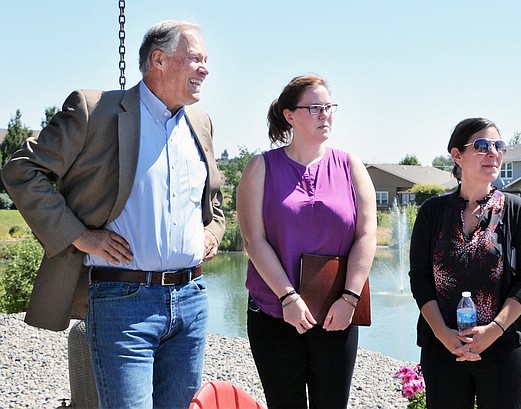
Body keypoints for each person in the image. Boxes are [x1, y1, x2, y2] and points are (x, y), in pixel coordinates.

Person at [1, 20, 225, 408]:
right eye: (195, 59)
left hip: (191, 301)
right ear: (158, 59)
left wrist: (213, 232)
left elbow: (214, 203)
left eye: (206, 60)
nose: (205, 68)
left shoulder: (201, 123)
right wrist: (78, 234)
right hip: (123, 302)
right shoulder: (94, 111)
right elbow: (21, 169)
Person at [237, 74, 377, 408]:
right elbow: (253, 240)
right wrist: (287, 298)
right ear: (289, 115)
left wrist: (350, 297)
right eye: (314, 108)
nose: (325, 115)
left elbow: (367, 233)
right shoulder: (261, 167)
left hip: (337, 312)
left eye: (329, 107)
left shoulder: (350, 165)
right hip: (274, 313)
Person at [408, 118, 521, 409]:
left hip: (503, 347)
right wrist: (444, 334)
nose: (493, 153)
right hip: (443, 348)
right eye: (481, 146)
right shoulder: (432, 212)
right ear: (457, 156)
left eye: (498, 146)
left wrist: (492, 331)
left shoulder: (517, 211)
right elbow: (419, 278)